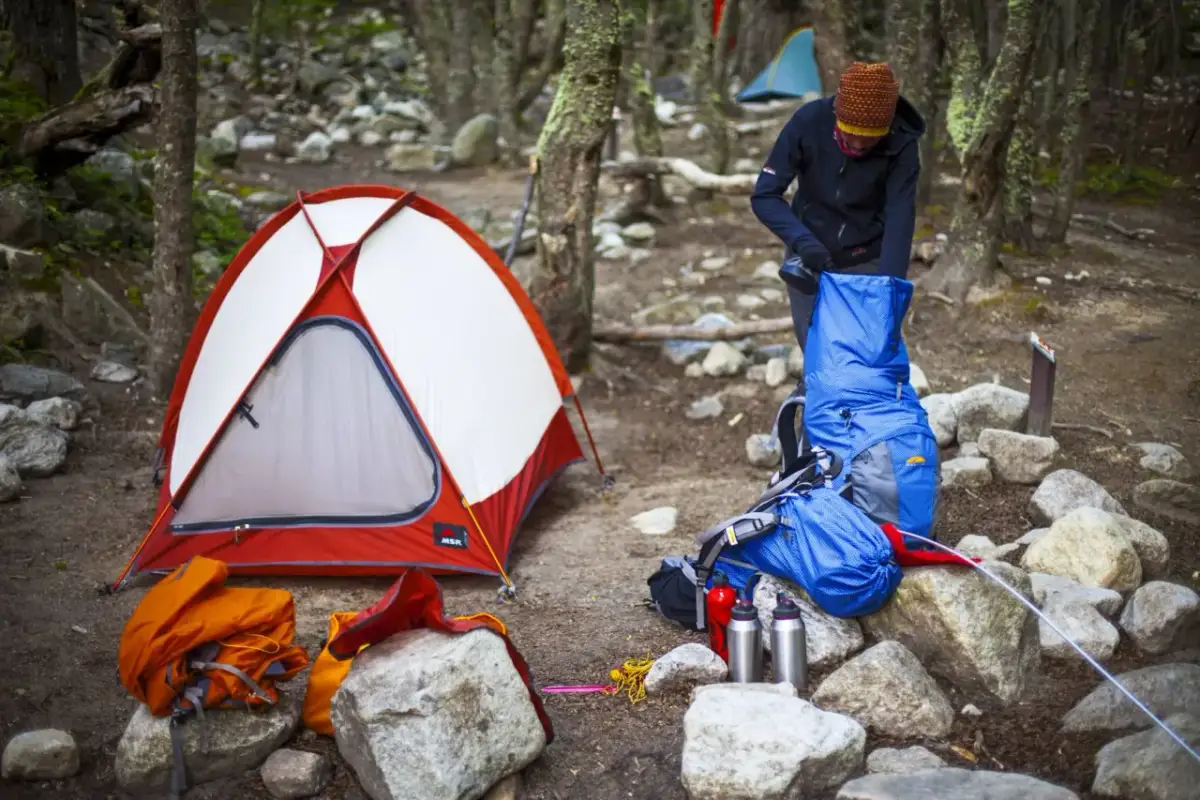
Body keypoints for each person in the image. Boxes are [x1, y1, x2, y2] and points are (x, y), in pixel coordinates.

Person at [750, 61, 926, 349]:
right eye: (849, 135)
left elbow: (900, 218)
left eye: (869, 141)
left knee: (866, 352)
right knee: (817, 353)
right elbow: (765, 196)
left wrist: (890, 293)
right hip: (808, 257)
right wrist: (803, 242)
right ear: (836, 117)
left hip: (866, 259)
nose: (857, 146)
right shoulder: (809, 122)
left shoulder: (901, 142)